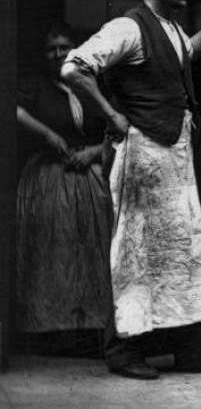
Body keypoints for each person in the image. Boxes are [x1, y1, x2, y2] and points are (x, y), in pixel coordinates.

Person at [61, 0, 201, 380]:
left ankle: (195, 350)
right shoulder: (127, 27)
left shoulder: (167, 27)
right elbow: (74, 68)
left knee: (186, 250)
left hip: (175, 156)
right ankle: (123, 353)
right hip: (142, 155)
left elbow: (186, 53)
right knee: (136, 253)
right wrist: (112, 116)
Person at [16, 22, 112, 355]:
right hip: (48, 181)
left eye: (64, 47)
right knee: (52, 254)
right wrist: (46, 133)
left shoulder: (92, 87)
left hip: (91, 179)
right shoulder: (36, 87)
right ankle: (50, 331)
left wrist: (93, 152)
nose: (58, 54)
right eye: (50, 49)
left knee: (92, 253)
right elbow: (11, 109)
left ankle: (90, 331)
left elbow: (121, 129)